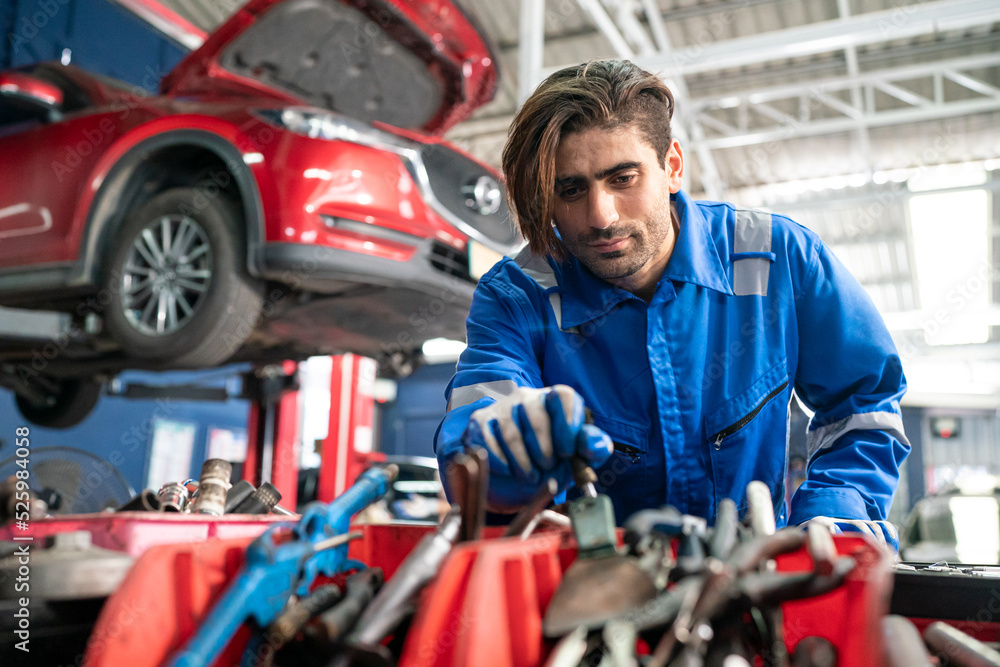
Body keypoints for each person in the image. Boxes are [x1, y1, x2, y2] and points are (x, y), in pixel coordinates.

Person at [434, 59, 909, 544]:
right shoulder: (515, 296)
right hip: (588, 587)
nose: (601, 216)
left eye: (623, 178)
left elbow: (862, 402)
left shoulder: (780, 259)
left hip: (754, 578)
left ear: (672, 167)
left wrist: (833, 512)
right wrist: (501, 443)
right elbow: (473, 426)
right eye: (571, 189)